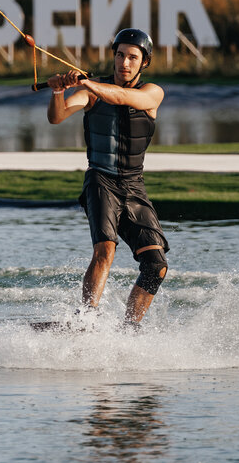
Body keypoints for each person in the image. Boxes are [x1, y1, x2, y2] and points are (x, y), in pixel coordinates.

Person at [46, 28, 169, 327]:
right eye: (119, 55)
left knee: (156, 266)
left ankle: (129, 330)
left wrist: (89, 83)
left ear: (144, 63)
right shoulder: (90, 92)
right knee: (106, 249)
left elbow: (123, 97)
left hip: (133, 186)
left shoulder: (152, 93)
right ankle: (86, 320)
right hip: (100, 181)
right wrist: (59, 91)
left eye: (132, 57)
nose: (124, 62)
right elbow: (57, 116)